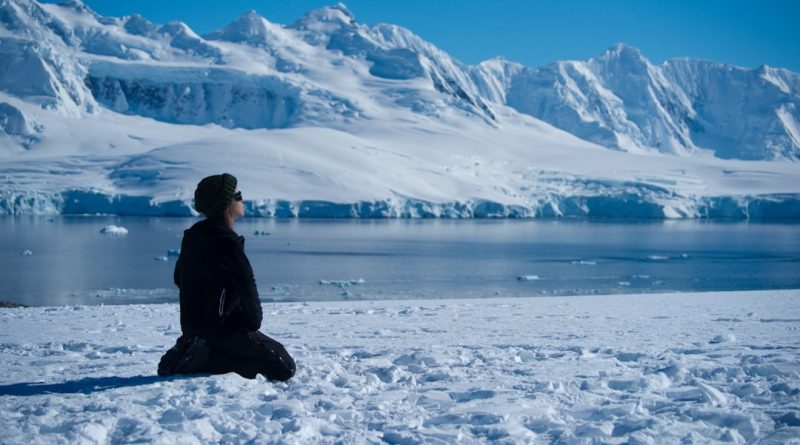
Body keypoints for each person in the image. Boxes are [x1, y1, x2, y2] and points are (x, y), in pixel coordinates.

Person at [157, 173, 295, 381]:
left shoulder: (193, 236)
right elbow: (246, 284)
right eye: (237, 195)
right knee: (284, 367)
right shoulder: (227, 241)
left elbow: (179, 278)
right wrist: (252, 324)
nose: (242, 200)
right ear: (226, 204)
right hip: (226, 331)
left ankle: (199, 348)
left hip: (195, 329)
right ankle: (210, 358)